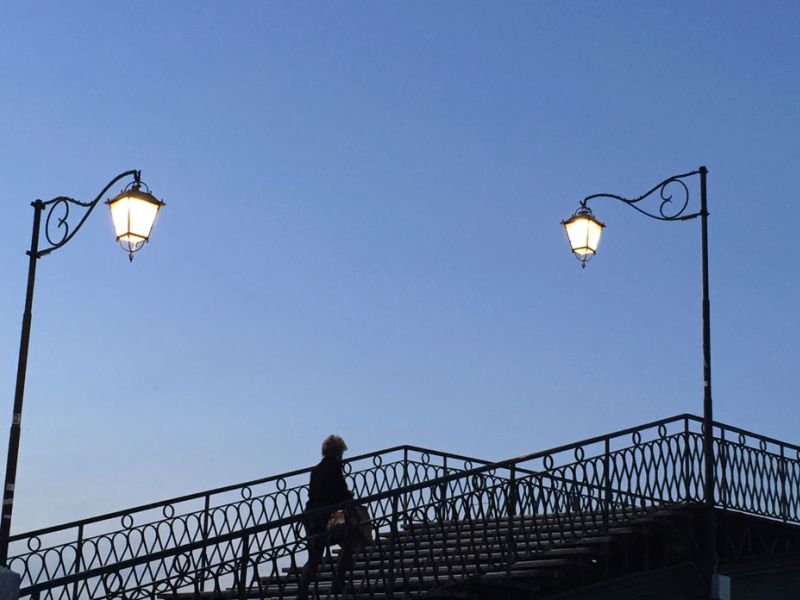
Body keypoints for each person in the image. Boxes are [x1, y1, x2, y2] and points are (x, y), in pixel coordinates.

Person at [297, 435, 359, 600]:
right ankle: (338, 579)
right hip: (326, 516)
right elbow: (340, 492)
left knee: (315, 556)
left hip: (312, 516)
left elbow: (318, 493)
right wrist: (350, 504)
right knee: (350, 542)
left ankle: (302, 590)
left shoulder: (316, 470)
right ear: (338, 452)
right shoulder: (334, 467)